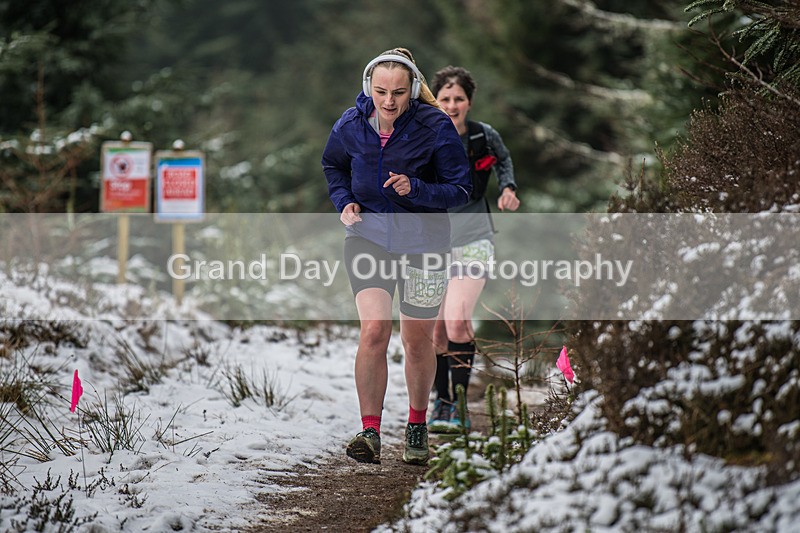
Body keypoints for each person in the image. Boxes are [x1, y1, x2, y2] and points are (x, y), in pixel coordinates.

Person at [321, 48, 471, 465]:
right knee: (373, 331)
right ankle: (369, 431)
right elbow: (332, 167)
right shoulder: (350, 124)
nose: (389, 101)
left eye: (399, 93)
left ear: (412, 90)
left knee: (416, 339)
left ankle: (417, 423)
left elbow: (460, 190)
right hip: (367, 238)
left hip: (426, 244)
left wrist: (417, 189)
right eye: (381, 91)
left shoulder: (435, 125)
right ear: (369, 85)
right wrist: (344, 202)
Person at [429, 65, 520, 432]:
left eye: (459, 99)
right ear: (435, 100)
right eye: (445, 98)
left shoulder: (483, 136)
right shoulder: (424, 136)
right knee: (434, 333)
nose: (452, 105)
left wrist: (508, 188)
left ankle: (461, 406)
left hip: (474, 238)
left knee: (458, 321)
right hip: (432, 240)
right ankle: (442, 402)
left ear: (469, 101)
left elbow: (504, 160)